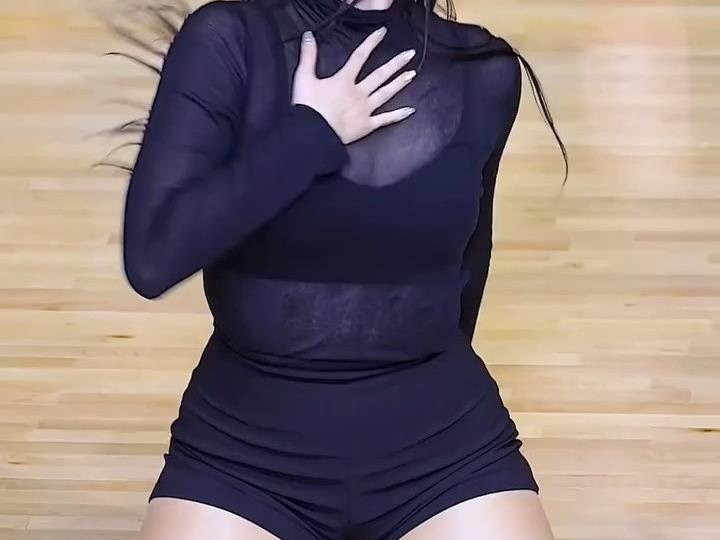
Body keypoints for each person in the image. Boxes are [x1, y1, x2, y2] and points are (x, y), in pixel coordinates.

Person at [110, 0, 568, 538]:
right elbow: (153, 257)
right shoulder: (228, 41)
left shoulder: (484, 70)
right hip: (243, 455)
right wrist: (309, 133)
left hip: (442, 451)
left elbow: (465, 275)